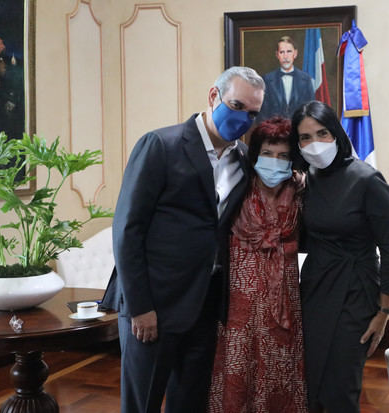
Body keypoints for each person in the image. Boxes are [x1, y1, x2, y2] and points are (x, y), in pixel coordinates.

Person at [101, 66, 265, 413]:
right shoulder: (161, 145)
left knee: (190, 402)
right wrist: (141, 307)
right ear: (213, 97)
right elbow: (127, 230)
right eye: (236, 106)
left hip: (205, 305)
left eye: (252, 113)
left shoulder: (245, 161)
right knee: (142, 403)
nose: (244, 119)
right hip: (154, 305)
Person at [290, 101, 389, 413]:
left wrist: (384, 311)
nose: (314, 144)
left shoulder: (367, 179)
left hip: (356, 290)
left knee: (340, 386)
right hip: (314, 286)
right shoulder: (307, 181)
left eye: (322, 133)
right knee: (311, 383)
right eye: (305, 137)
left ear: (336, 133)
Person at [207, 116, 307, 413]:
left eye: (283, 156)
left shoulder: (301, 190)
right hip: (241, 302)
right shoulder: (237, 186)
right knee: (239, 370)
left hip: (283, 302)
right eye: (267, 153)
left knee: (280, 368)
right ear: (255, 154)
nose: (275, 162)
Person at [258, 36, 315, 122]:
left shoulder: (306, 79)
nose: (285, 56)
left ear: (295, 54)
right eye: (282, 52)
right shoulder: (267, 80)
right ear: (277, 55)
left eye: (289, 51)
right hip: (274, 132)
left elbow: (311, 111)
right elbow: (262, 113)